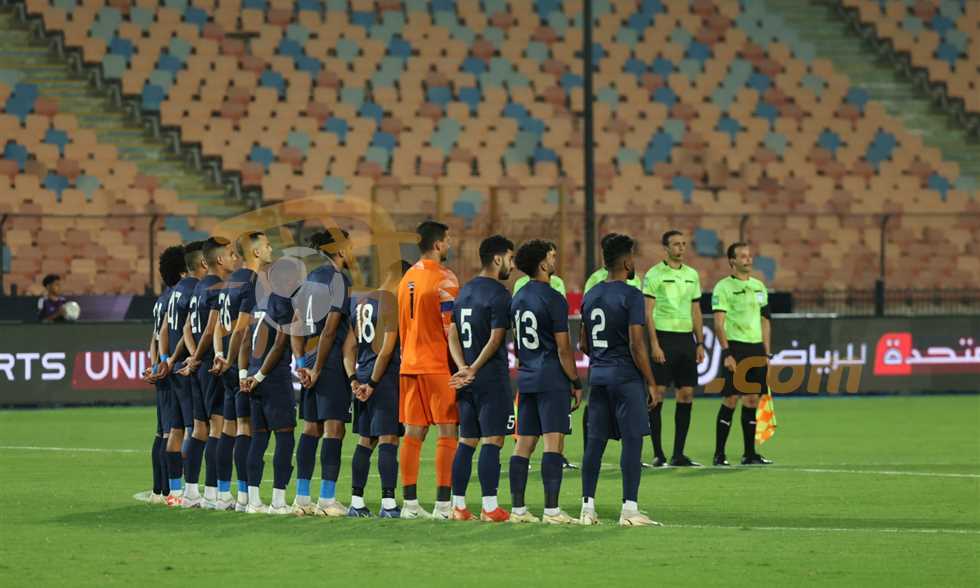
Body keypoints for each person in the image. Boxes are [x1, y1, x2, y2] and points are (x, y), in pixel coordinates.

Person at [579, 234, 660, 526]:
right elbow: (637, 345)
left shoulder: (591, 294)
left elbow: (583, 344)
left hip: (598, 377)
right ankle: (629, 509)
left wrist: (602, 358)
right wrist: (651, 382)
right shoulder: (632, 295)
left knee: (595, 443)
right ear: (627, 262)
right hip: (625, 377)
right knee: (632, 440)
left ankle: (587, 508)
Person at [508, 239, 582, 524]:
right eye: (551, 256)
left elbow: (517, 342)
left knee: (524, 444)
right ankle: (552, 511)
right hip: (551, 377)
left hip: (526, 377)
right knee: (554, 443)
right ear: (542, 264)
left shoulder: (518, 297)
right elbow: (564, 349)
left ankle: (518, 510)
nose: (554, 259)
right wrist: (576, 381)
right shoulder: (554, 298)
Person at [446, 235, 515, 522]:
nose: (512, 265)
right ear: (497, 259)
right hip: (490, 379)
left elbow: (452, 332)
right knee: (492, 440)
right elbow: (496, 338)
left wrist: (462, 367)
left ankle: (459, 506)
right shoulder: (500, 294)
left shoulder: (465, 290)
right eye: (510, 258)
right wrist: (473, 369)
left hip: (467, 381)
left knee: (467, 440)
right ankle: (490, 507)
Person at [396, 220, 461, 520]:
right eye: (447, 240)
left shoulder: (406, 278)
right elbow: (450, 329)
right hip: (437, 364)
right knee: (448, 431)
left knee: (413, 433)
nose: (449, 244)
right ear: (437, 244)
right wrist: (461, 366)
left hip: (409, 364)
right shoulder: (445, 278)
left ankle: (410, 505)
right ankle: (443, 506)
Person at [293, 229, 355, 517]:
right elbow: (330, 330)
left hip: (309, 359)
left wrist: (301, 363)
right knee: (334, 429)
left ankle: (302, 498)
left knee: (311, 429)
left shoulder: (309, 280)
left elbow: (295, 324)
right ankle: (327, 500)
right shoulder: (338, 279)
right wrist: (317, 368)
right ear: (340, 250)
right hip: (328, 363)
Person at [347, 260, 412, 519]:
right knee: (388, 438)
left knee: (366, 440)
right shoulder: (391, 303)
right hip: (382, 380)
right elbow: (386, 350)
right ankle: (388, 504)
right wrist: (373, 384)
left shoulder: (362, 303)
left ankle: (356, 503)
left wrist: (354, 379)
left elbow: (349, 346)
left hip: (362, 374)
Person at [239, 256, 302, 515]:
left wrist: (244, 374)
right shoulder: (284, 303)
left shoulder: (259, 303)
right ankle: (278, 501)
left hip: (253, 377)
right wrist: (261, 376)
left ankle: (253, 501)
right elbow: (279, 344)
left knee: (259, 439)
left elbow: (245, 341)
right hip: (273, 379)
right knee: (285, 437)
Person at [181, 236, 239, 509]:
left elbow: (187, 328)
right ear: (219, 259)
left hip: (199, 367)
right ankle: (216, 494)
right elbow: (210, 329)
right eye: (231, 254)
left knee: (199, 429)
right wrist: (197, 358)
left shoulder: (199, 287)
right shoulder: (217, 287)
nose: (234, 258)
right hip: (211, 366)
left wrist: (193, 358)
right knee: (218, 428)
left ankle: (192, 492)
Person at [213, 232, 270, 510]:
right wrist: (234, 362)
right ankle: (247, 496)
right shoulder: (252, 282)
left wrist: (219, 355)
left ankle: (225, 494)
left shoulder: (229, 282)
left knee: (228, 427)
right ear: (256, 252)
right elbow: (241, 330)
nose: (271, 249)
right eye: (267, 245)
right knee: (246, 428)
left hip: (227, 363)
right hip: (240, 366)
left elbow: (218, 325)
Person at [642, 230, 705, 468]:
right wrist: (654, 343)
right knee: (657, 394)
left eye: (683, 244)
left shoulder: (692, 275)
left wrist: (699, 342)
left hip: (686, 340)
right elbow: (648, 312)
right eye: (676, 244)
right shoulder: (654, 274)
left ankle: (679, 454)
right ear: (666, 248)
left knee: (686, 394)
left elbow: (696, 311)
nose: (681, 248)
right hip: (664, 338)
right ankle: (658, 454)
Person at [712, 242, 773, 467]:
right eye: (743, 256)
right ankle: (719, 454)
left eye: (749, 256)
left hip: (756, 349)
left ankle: (750, 454)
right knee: (731, 399)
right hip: (736, 348)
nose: (748, 259)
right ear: (732, 261)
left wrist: (766, 352)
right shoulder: (723, 287)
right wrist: (727, 352)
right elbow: (719, 324)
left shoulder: (759, 286)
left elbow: (765, 321)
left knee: (752, 400)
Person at [140, 248, 186, 504]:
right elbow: (164, 335)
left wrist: (154, 364)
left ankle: (159, 489)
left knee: (162, 433)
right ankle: (167, 490)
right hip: (171, 370)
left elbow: (154, 337)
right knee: (171, 432)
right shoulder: (176, 298)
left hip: (163, 369)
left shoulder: (162, 299)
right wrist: (164, 364)